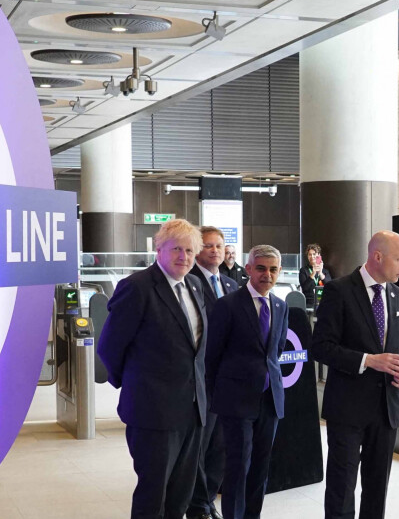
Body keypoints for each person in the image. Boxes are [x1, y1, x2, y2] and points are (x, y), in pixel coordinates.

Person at [97, 219, 207, 519]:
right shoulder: (136, 288)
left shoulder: (194, 285)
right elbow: (109, 346)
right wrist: (135, 384)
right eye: (175, 249)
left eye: (189, 250)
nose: (183, 256)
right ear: (159, 249)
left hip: (193, 410)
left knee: (181, 493)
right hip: (153, 410)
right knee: (152, 494)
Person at [311, 230, 399, 519]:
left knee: (377, 488)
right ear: (378, 256)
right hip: (347, 409)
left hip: (386, 410)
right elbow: (321, 347)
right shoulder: (339, 291)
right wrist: (369, 360)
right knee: (342, 487)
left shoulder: (398, 296)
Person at [206, 245, 289, 519]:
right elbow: (213, 354)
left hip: (270, 400)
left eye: (273, 269)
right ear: (249, 269)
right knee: (238, 468)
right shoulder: (227, 305)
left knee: (261, 469)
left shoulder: (280, 305)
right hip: (236, 400)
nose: (268, 274)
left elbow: (274, 353)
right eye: (262, 268)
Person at [188, 227, 238, 519]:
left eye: (220, 245)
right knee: (200, 447)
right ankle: (197, 505)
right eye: (209, 246)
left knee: (221, 446)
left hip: (228, 382)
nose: (216, 251)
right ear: (197, 250)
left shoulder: (231, 285)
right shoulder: (190, 283)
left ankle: (208, 500)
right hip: (203, 379)